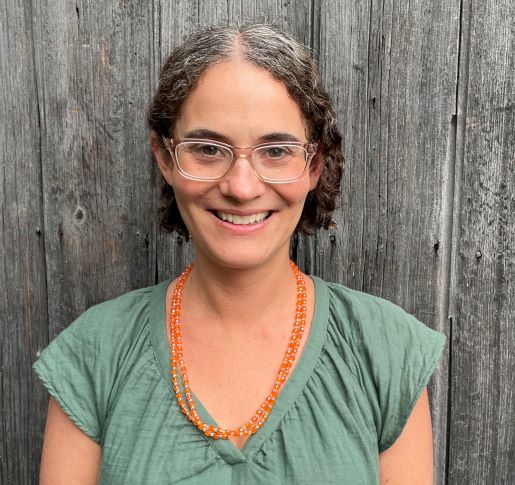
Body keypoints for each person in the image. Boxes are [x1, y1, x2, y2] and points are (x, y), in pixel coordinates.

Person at [33, 23, 446, 484]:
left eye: (276, 150)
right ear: (164, 158)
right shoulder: (95, 354)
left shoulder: (384, 353)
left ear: (314, 164)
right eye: (208, 149)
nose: (242, 186)